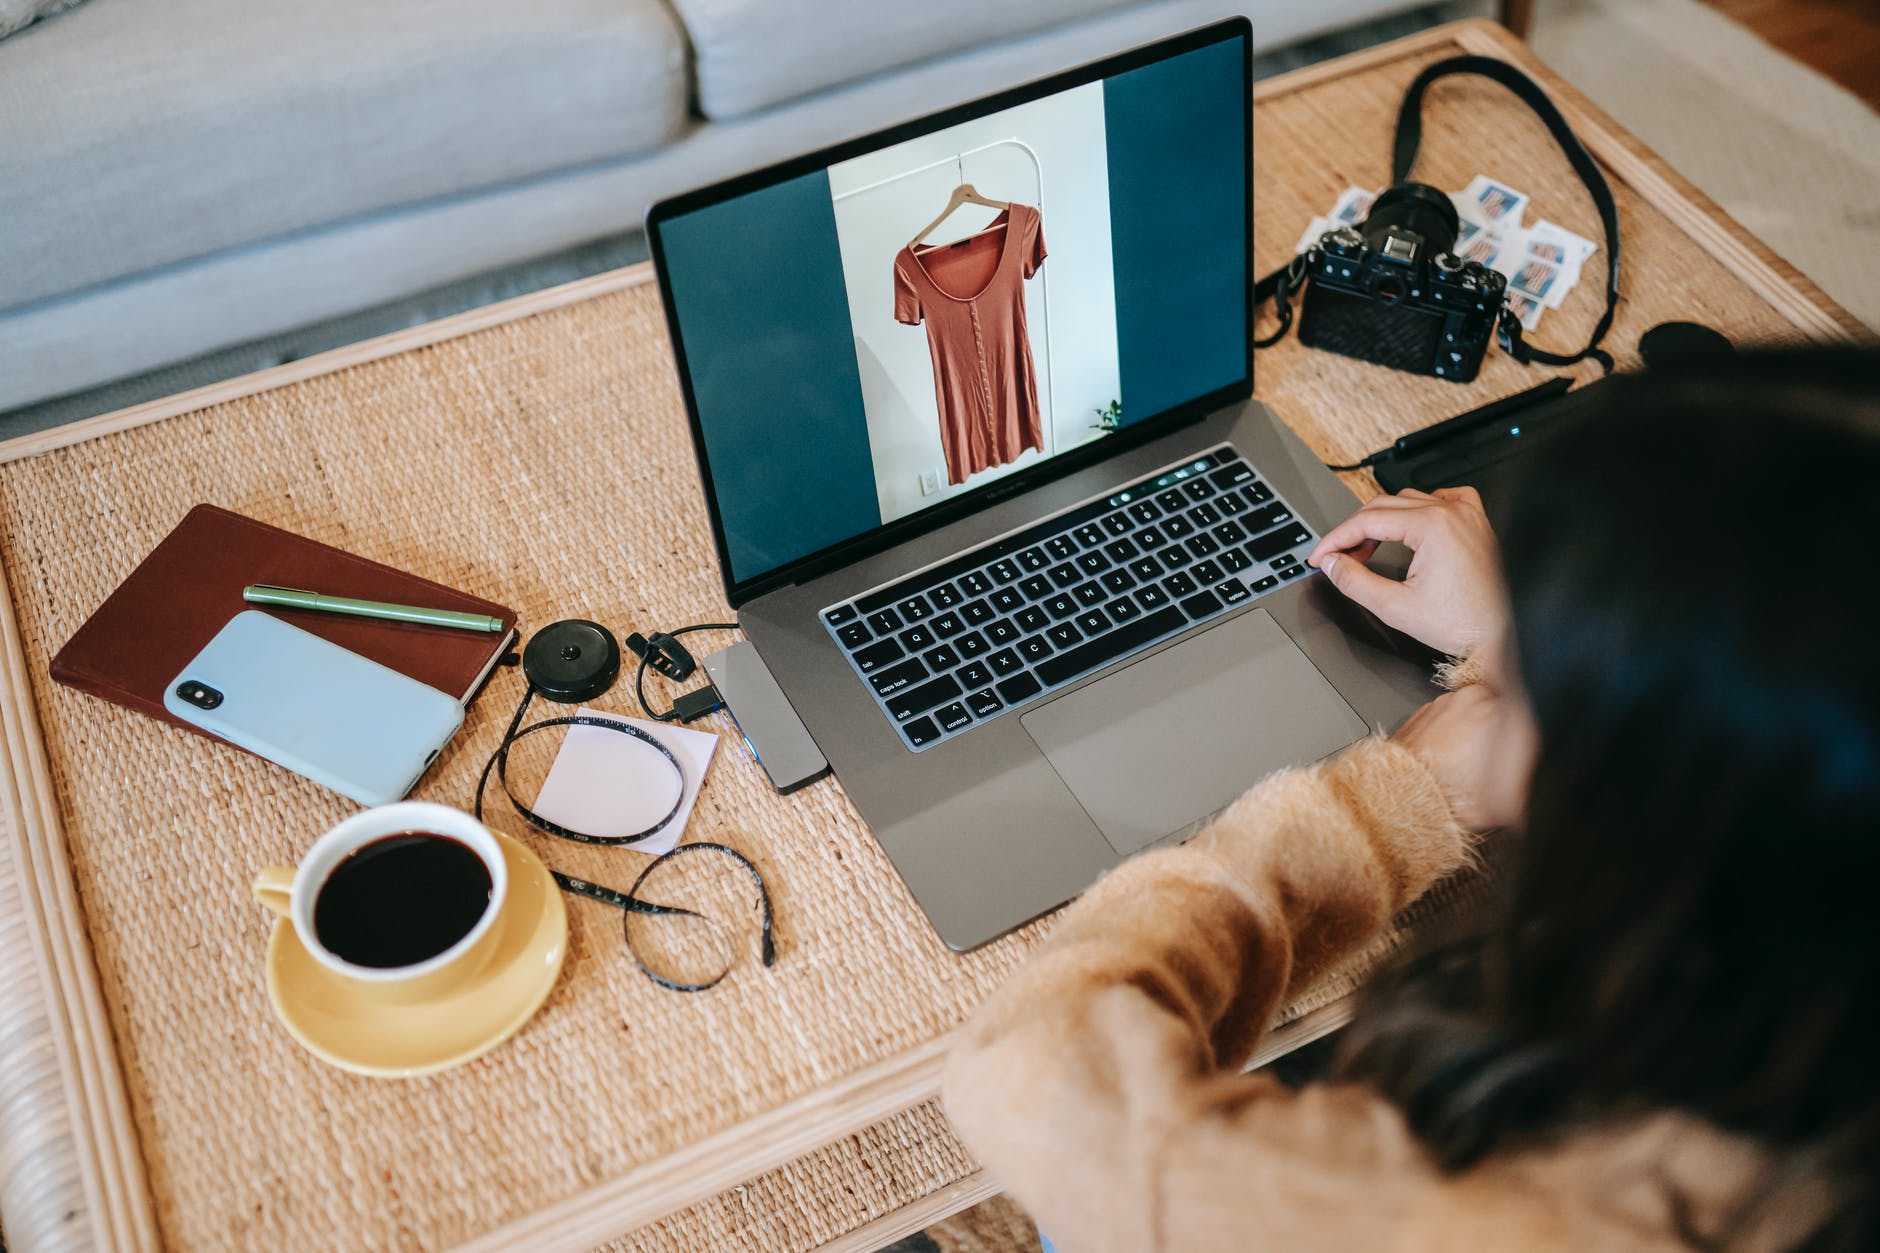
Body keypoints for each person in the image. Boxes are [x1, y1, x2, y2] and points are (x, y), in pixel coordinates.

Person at [943, 347, 1880, 1252]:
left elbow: (1032, 1060)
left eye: (1547, 646)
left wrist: (1388, 802)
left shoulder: (1462, 1214)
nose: (1509, 658)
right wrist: (1538, 651)